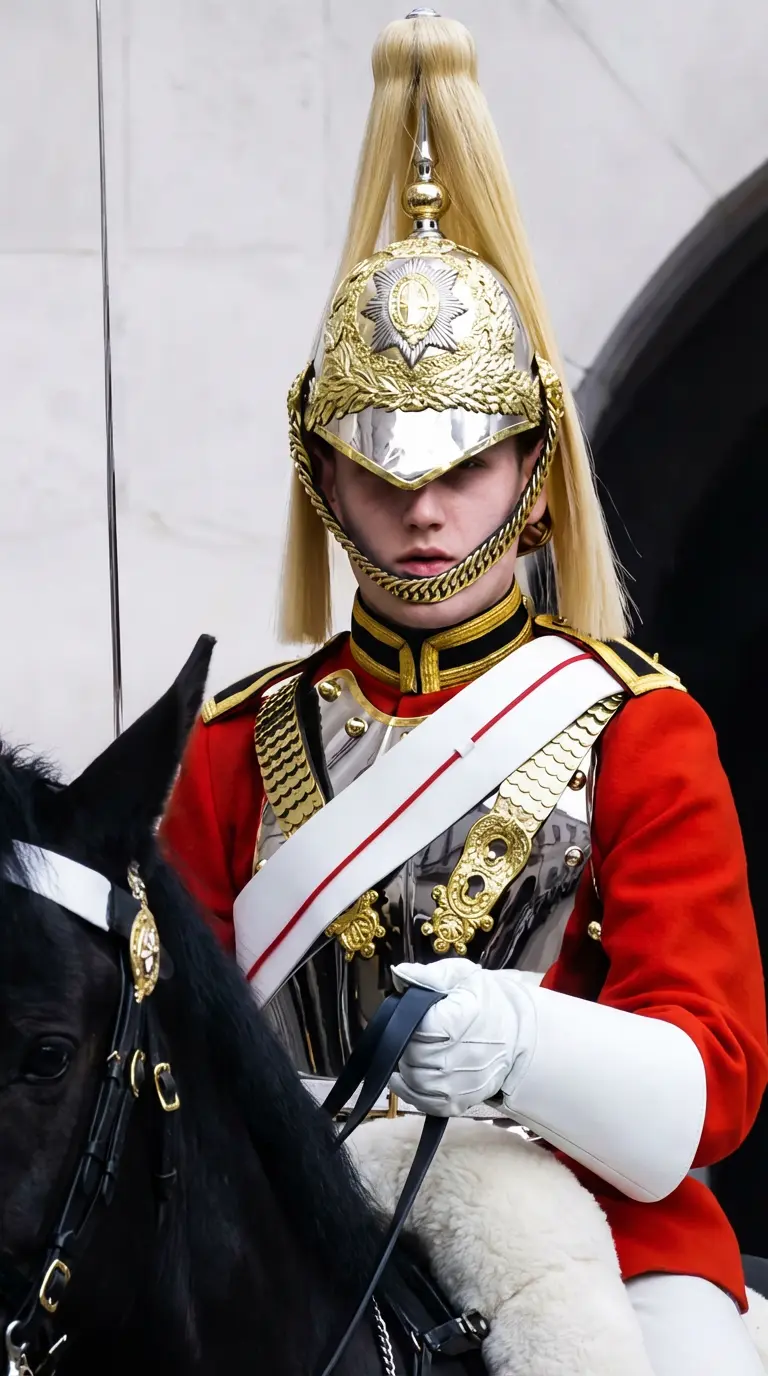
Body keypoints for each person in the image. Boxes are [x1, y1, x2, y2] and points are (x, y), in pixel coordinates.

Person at [160, 10, 768, 1373]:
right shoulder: (231, 747)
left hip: (608, 1240)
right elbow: (171, 1050)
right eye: (383, 471)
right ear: (324, 479)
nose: (424, 511)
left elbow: (709, 1084)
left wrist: (515, 1043)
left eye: (464, 467)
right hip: (295, 1224)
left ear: (534, 478)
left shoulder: (638, 728)